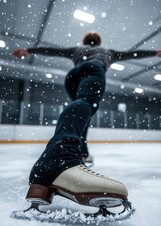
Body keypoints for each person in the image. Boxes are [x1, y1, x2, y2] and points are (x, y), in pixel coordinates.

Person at [12, 32, 161, 210]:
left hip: (73, 75)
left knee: (81, 110)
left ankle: (78, 153)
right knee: (85, 104)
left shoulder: (77, 50)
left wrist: (29, 50)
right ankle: (59, 157)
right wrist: (155, 53)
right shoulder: (107, 52)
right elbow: (133, 54)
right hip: (94, 69)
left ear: (85, 42)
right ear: (98, 42)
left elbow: (53, 51)